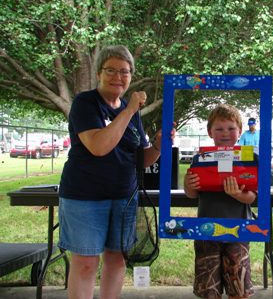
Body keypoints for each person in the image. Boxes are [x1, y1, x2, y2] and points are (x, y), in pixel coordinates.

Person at [58, 45, 173, 299]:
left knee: (117, 259)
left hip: (124, 197)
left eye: (125, 71)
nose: (118, 77)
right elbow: (99, 147)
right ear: (99, 72)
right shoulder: (86, 103)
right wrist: (130, 109)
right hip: (84, 197)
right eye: (111, 70)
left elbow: (141, 160)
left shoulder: (131, 114)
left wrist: (158, 144)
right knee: (86, 264)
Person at [184, 104, 256, 298]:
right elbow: (192, 194)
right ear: (210, 132)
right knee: (208, 290)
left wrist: (237, 194)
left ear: (240, 131)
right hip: (207, 230)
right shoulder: (200, 158)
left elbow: (252, 197)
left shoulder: (250, 158)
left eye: (231, 128)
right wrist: (188, 183)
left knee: (238, 288)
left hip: (238, 231)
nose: (226, 133)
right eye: (219, 129)